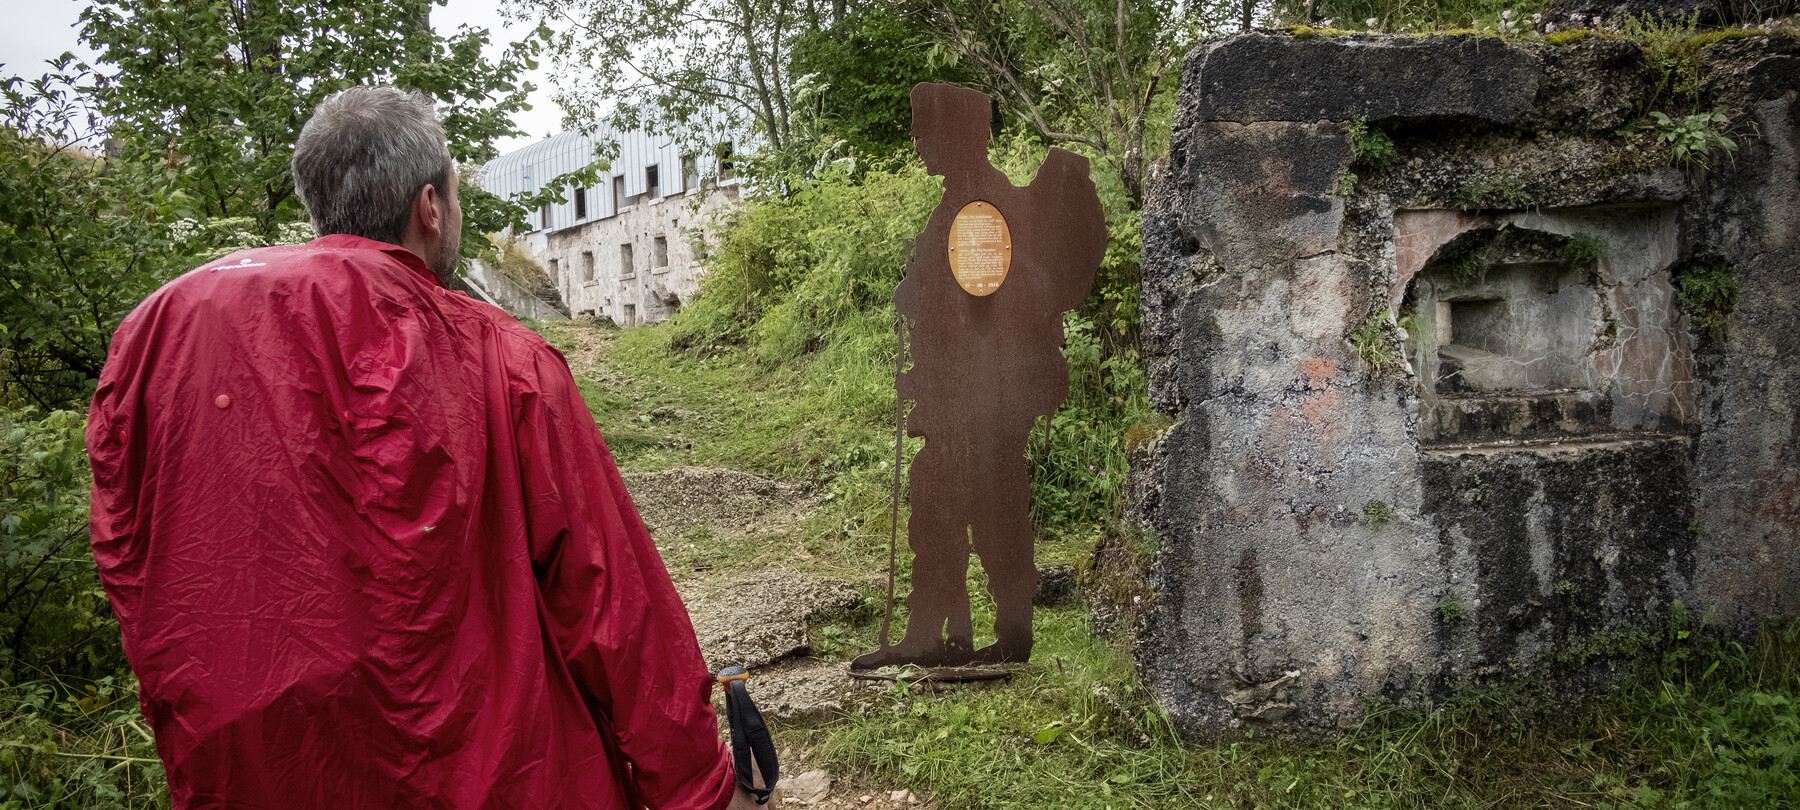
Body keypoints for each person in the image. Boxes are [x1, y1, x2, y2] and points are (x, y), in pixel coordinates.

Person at [86, 86, 761, 809]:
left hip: (255, 777)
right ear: (430, 207)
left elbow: (130, 566)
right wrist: (697, 788)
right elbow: (611, 605)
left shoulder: (156, 337)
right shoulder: (500, 357)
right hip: (504, 778)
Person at [852, 84, 1105, 670]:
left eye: (927, 133)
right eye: (918, 133)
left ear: (961, 137)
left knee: (960, 503)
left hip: (977, 394)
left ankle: (949, 634)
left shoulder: (979, 208)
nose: (919, 144)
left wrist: (920, 312)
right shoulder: (965, 202)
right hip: (970, 391)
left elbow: (978, 306)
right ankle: (970, 631)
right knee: (983, 503)